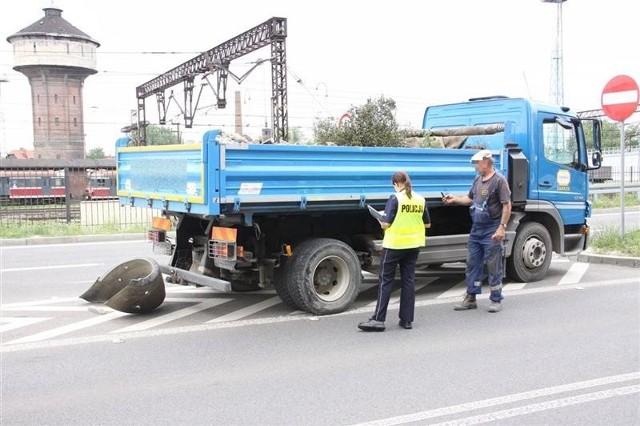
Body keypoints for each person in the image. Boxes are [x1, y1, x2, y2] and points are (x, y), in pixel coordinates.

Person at [358, 171, 431, 332]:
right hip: (413, 246)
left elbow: (385, 224)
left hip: (395, 246)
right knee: (408, 281)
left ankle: (378, 319)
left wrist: (378, 217)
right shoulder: (420, 199)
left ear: (396, 184)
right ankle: (407, 320)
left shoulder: (395, 198)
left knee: (386, 281)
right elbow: (427, 225)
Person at [442, 149, 512, 313]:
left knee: (494, 265)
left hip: (492, 229)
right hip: (476, 230)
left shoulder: (499, 181)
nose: (475, 166)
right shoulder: (477, 180)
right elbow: (470, 199)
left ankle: (496, 299)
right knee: (472, 264)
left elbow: (507, 205)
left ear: (487, 162)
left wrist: (502, 227)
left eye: (477, 163)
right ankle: (471, 297)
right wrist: (454, 200)